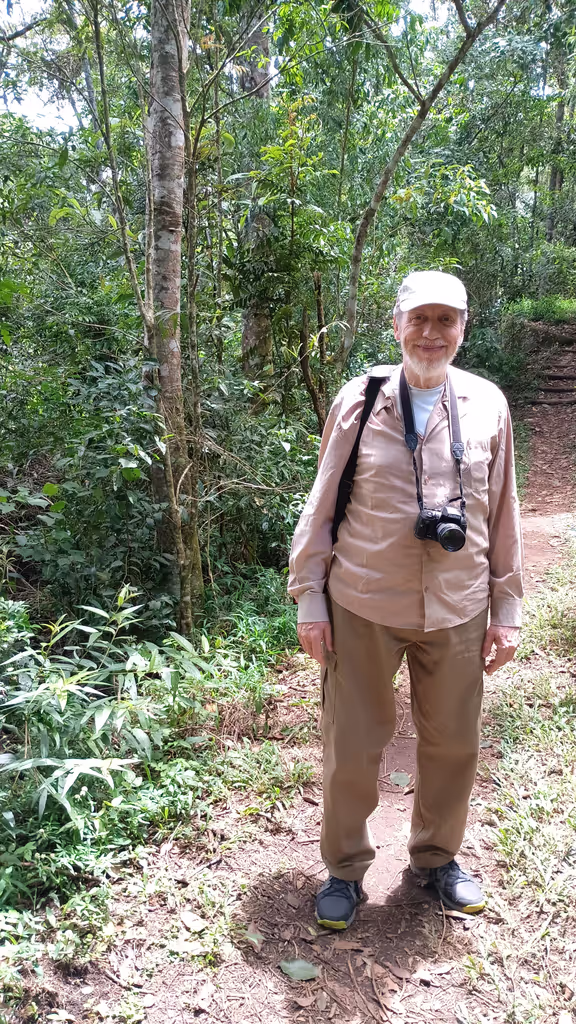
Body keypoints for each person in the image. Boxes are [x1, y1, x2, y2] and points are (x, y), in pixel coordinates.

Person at [288, 270, 523, 930]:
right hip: (363, 601)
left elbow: (502, 512)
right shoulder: (360, 400)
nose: (431, 333)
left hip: (457, 605)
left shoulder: (488, 405)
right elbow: (323, 502)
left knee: (453, 744)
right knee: (353, 745)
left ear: (463, 329)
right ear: (395, 325)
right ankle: (344, 869)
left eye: (446, 320)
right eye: (418, 319)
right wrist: (310, 596)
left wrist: (506, 610)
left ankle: (435, 859)